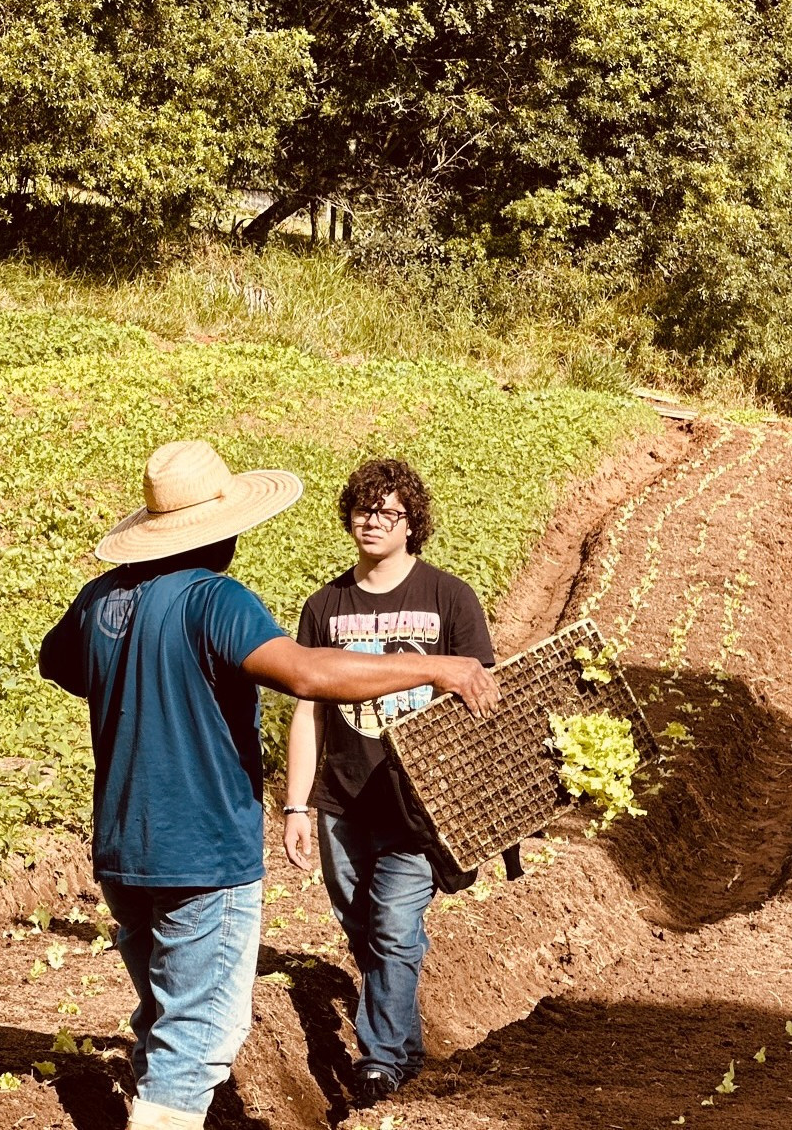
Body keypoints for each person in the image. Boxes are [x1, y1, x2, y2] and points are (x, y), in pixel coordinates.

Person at [37, 440, 498, 1130]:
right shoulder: (214, 599)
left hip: (122, 850)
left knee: (164, 1011)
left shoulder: (101, 600)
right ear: (220, 530)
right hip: (200, 849)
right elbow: (307, 674)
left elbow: (60, 663)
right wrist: (435, 670)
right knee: (198, 1035)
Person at [281, 459, 494, 1107]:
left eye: (388, 512)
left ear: (412, 525)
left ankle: (378, 1063)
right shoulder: (325, 607)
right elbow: (308, 711)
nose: (373, 521)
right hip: (343, 799)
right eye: (363, 510)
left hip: (417, 803)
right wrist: (294, 804)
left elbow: (485, 701)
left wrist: (477, 798)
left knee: (396, 927)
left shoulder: (448, 599)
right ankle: (403, 1046)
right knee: (362, 927)